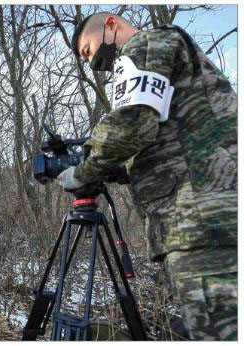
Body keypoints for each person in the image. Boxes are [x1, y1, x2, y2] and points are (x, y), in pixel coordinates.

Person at [62, 12, 237, 340]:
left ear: (111, 26)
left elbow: (132, 123)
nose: (92, 63)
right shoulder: (169, 59)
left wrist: (82, 171)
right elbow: (163, 138)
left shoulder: (144, 44)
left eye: (89, 50)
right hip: (207, 216)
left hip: (201, 218)